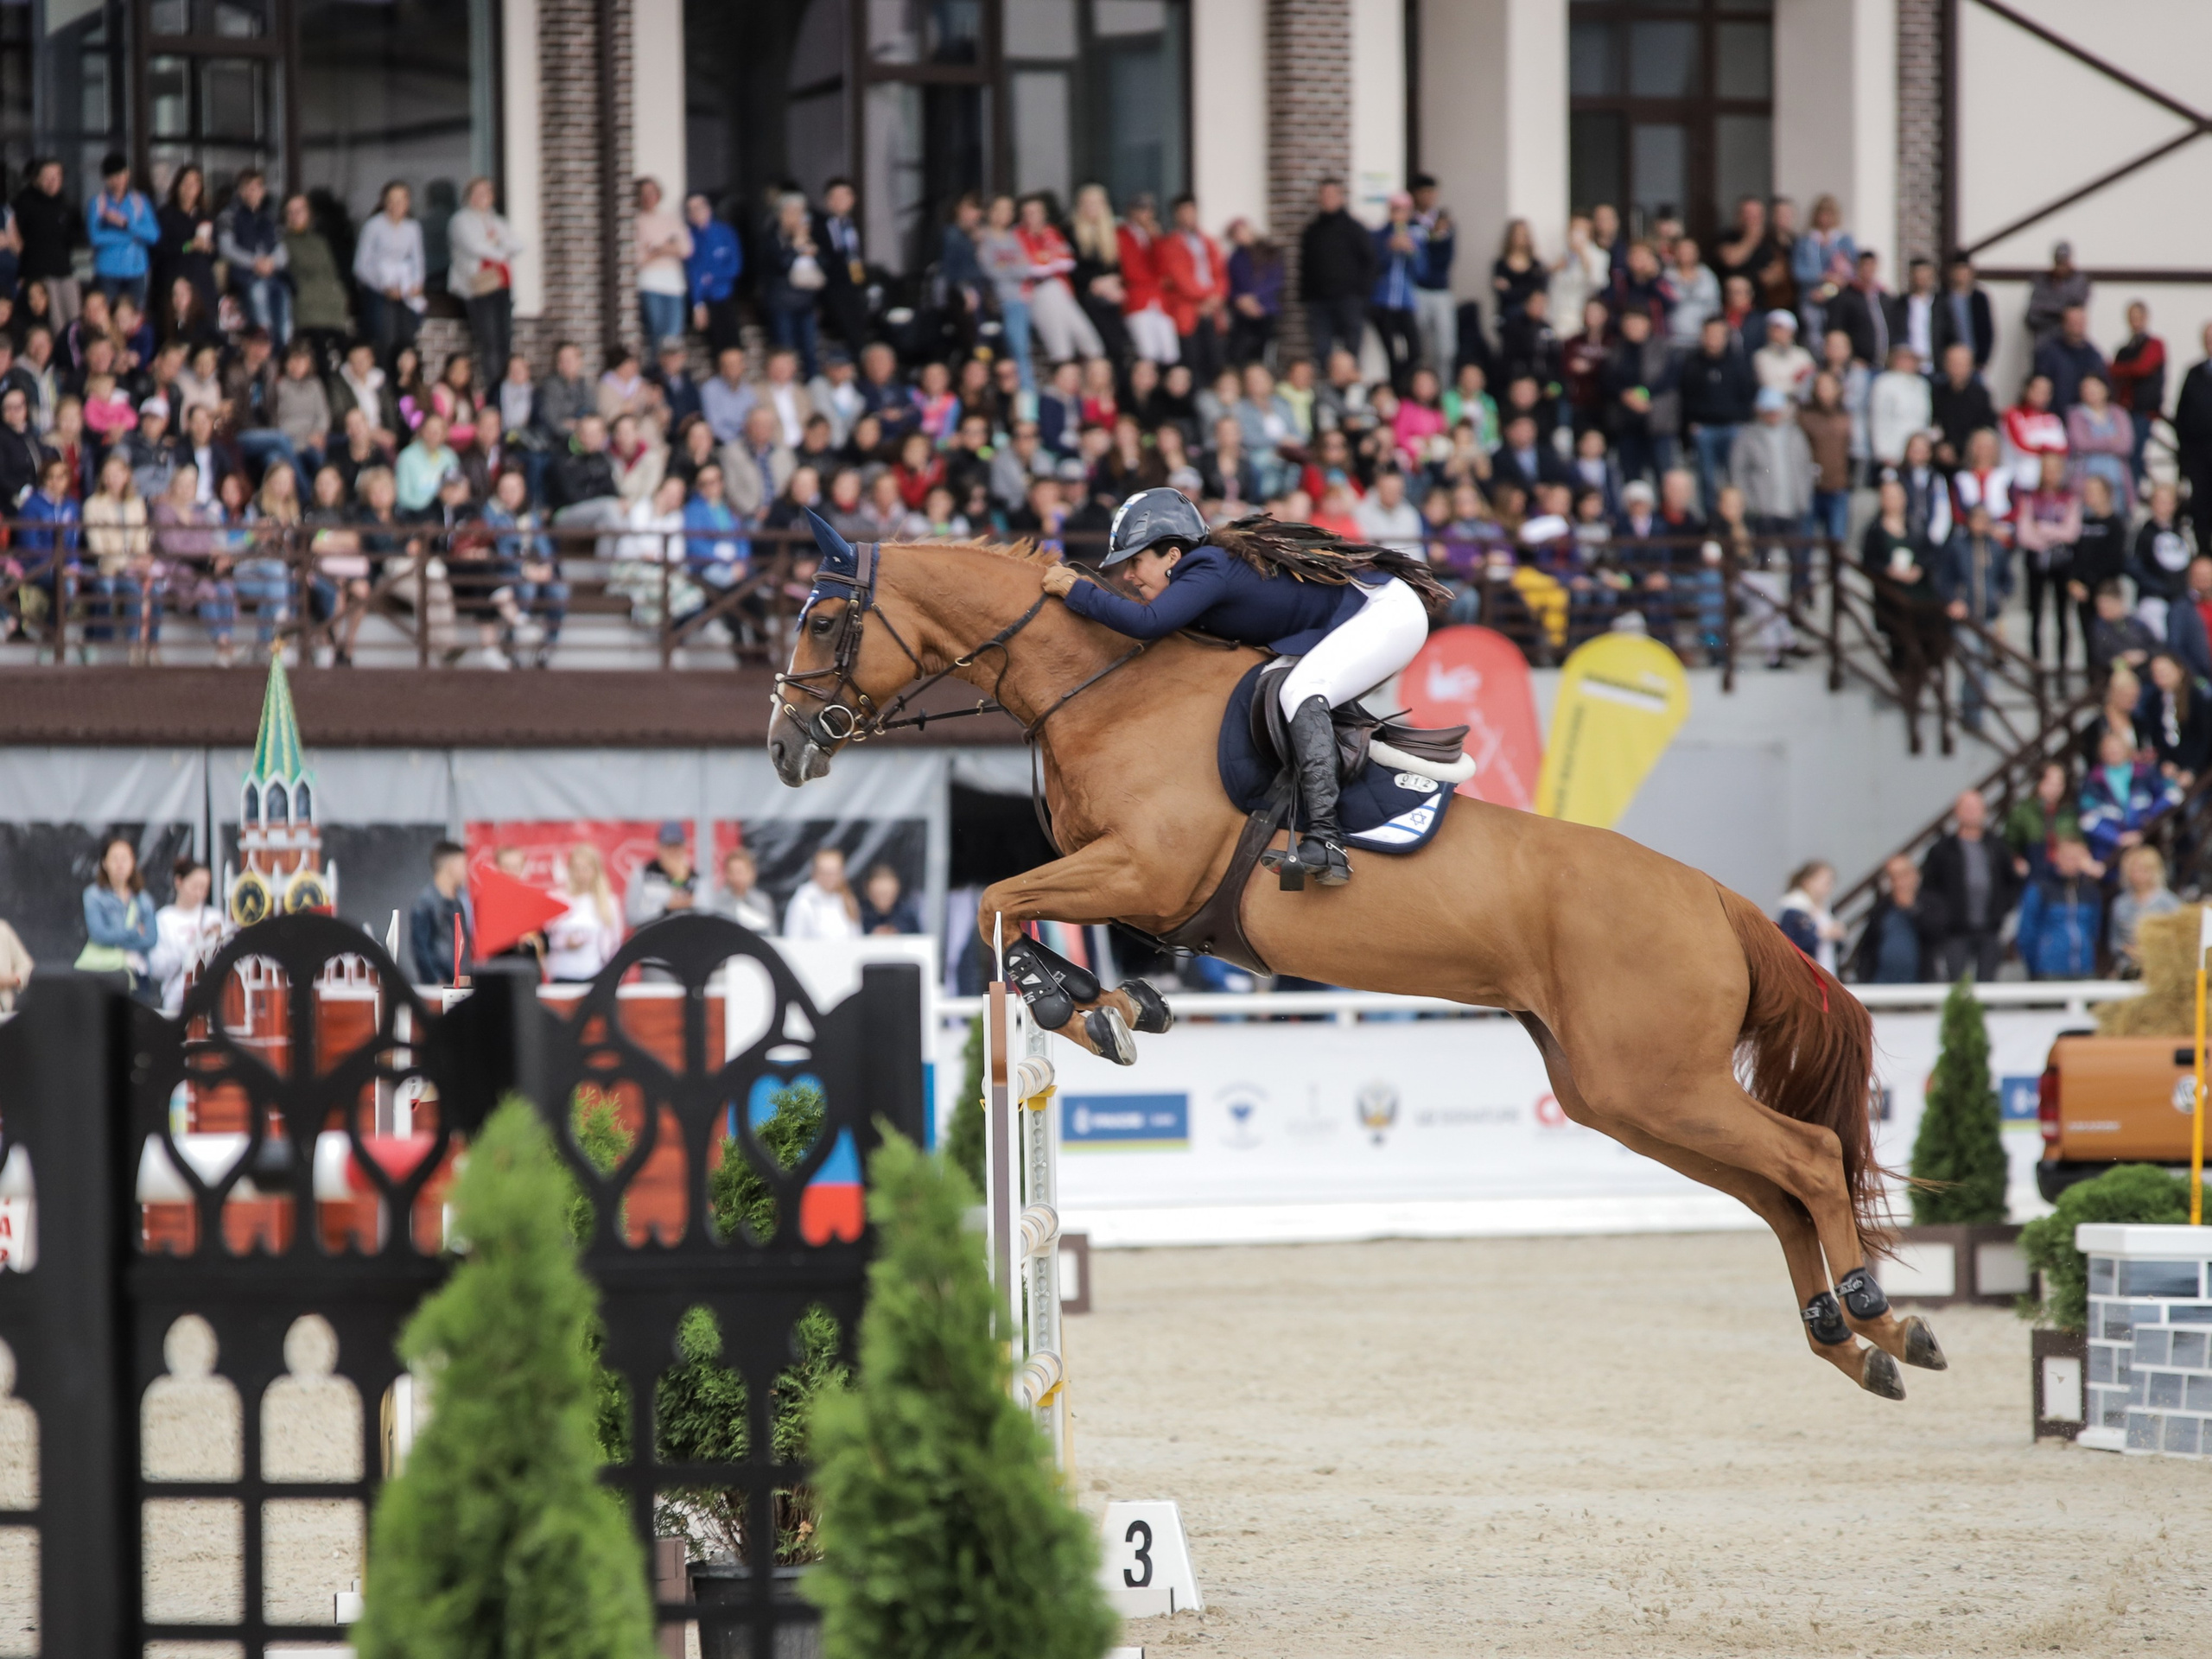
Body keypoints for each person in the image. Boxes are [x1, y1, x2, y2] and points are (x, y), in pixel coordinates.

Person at [1037, 486, 1448, 886]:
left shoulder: (1205, 567)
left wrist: (1078, 591)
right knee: (1275, 688)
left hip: (1387, 612)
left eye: (1136, 561)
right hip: (1355, 618)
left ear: (1173, 555)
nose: (1127, 576)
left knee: (1299, 691)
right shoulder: (1203, 573)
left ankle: (1327, 839)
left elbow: (1147, 623)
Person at [1918, 789, 2019, 982]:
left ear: (1984, 811)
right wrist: (1942, 916)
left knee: (1987, 983)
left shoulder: (1996, 846)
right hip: (1955, 932)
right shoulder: (1943, 849)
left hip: (1990, 929)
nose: (1972, 812)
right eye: (1967, 808)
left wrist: (2003, 908)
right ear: (1957, 812)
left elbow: (2011, 881)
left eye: (1976, 808)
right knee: (1958, 985)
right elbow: (1929, 888)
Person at [1935, 502, 2014, 733]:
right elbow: (1943, 578)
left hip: (1988, 616)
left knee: (1984, 666)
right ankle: (1972, 716)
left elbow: (2008, 579)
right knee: (1974, 665)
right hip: (1966, 618)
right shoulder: (1957, 547)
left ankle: (1975, 713)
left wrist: (1999, 596)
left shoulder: (1997, 549)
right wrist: (1953, 599)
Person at [447, 175, 524, 386]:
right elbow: (475, 247)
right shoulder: (461, 220)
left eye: (488, 192)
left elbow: (518, 244)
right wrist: (500, 251)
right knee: (489, 343)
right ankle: (494, 388)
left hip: (502, 286)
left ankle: (505, 385)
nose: (484, 196)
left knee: (505, 341)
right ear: (470, 196)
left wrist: (497, 242)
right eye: (479, 192)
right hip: (479, 288)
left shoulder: (497, 221)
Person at [2080, 727, 2183, 870]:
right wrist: (2118, 838)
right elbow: (2087, 817)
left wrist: (2149, 817)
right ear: (2101, 752)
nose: (2113, 752)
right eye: (2109, 748)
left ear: (2126, 749)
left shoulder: (2144, 773)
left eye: (2117, 747)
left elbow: (2172, 794)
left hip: (2145, 842)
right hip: (2109, 851)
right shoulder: (2093, 780)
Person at [1300, 178, 1375, 365]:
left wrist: (1362, 294)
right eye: (1324, 195)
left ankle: (1351, 389)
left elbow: (1370, 262)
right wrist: (1306, 296)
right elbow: (1305, 265)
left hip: (1349, 299)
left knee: (1352, 349)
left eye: (1332, 195)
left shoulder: (1355, 229)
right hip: (1319, 301)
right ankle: (1327, 390)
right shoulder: (1312, 231)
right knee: (1321, 349)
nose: (1328, 199)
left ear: (1341, 197)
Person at [77, 833, 160, 1001]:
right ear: (104, 863)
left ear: (133, 862)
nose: (120, 864)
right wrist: (135, 932)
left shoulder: (143, 899)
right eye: (115, 858)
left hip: (137, 974)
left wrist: (115, 938)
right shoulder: (94, 895)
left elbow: (151, 938)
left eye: (125, 858)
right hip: (105, 973)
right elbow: (99, 935)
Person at [2013, 836, 2103, 981]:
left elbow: (2094, 930)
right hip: (2049, 969)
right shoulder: (2040, 889)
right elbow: (2027, 932)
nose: (2074, 863)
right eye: (2069, 857)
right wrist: (2035, 966)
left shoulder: (2090, 891)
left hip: (2085, 968)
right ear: (2057, 857)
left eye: (2078, 858)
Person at [354, 181, 425, 359]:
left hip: (405, 288)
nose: (396, 206)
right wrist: (383, 287)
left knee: (407, 338)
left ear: (407, 203)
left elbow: (418, 260)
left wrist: (417, 284)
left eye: (401, 200)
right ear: (384, 202)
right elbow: (361, 266)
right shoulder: (373, 226)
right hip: (378, 290)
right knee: (384, 339)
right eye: (392, 200)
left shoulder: (412, 228)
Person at [216, 168, 288, 344]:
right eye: (248, 187)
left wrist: (271, 262)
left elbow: (282, 250)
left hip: (272, 274)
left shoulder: (269, 218)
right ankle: (265, 347)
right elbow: (227, 248)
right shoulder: (228, 215)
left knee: (284, 298)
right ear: (240, 191)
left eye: (257, 187)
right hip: (245, 276)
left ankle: (283, 350)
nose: (253, 191)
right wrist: (254, 263)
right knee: (259, 297)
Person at [149, 857, 224, 1015]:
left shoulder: (215, 917)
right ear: (179, 882)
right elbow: (155, 966)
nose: (199, 893)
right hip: (176, 999)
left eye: (204, 888)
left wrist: (216, 941)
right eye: (195, 886)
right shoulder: (163, 919)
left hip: (211, 997)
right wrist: (192, 949)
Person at [282, 194, 350, 364]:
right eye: (290, 212)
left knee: (346, 355)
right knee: (319, 356)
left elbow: (332, 273)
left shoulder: (321, 242)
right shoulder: (283, 242)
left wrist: (340, 297)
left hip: (333, 307)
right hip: (306, 308)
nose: (295, 216)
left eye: (300, 211)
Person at [84, 152, 157, 309]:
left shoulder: (139, 201)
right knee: (108, 315)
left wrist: (125, 224)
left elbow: (154, 235)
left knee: (135, 315)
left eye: (120, 175)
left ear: (127, 174)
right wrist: (131, 237)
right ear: (105, 179)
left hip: (136, 270)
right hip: (107, 271)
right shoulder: (98, 203)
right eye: (112, 177)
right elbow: (95, 238)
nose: (117, 181)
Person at [16, 158, 81, 326]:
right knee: (55, 321)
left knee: (75, 319)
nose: (52, 182)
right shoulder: (24, 203)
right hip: (38, 274)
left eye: (56, 177)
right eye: (47, 177)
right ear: (37, 179)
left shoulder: (67, 203)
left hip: (65, 271)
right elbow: (16, 240)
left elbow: (79, 235)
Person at [544, 844, 621, 983]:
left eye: (586, 868)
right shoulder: (558, 898)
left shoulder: (608, 902)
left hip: (595, 973)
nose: (581, 874)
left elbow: (615, 944)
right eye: (576, 869)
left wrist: (612, 975)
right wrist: (564, 942)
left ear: (596, 871)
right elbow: (545, 937)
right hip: (561, 973)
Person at [1849, 855, 1930, 984]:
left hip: (1919, 985)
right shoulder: (1882, 907)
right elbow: (1866, 947)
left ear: (1915, 875)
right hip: (1882, 984)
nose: (1899, 882)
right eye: (1893, 877)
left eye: (1903, 875)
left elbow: (1936, 933)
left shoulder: (1930, 903)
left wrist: (1912, 909)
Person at [683, 192, 743, 355]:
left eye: (699, 207)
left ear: (708, 209)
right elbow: (694, 273)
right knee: (715, 346)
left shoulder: (725, 232)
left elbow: (735, 266)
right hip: (704, 298)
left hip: (725, 295)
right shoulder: (690, 237)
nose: (696, 212)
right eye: (691, 209)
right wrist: (698, 304)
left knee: (733, 342)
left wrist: (711, 276)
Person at [407, 841, 474, 987]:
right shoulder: (425, 903)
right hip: (439, 985)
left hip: (459, 984)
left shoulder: (458, 902)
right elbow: (420, 947)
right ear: (450, 866)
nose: (466, 871)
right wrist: (435, 979)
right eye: (463, 865)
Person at [2109, 844, 2182, 977]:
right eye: (2133, 870)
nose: (2137, 875)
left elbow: (2179, 939)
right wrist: (2130, 951)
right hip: (2128, 969)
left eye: (2143, 870)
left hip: (2162, 970)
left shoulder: (2169, 903)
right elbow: (2115, 942)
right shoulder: (2120, 904)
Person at [1777, 860, 1846, 974]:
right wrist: (1820, 935)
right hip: (1804, 973)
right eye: (1825, 882)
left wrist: (1839, 936)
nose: (1829, 886)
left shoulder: (1827, 910)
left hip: (1828, 970)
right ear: (1807, 882)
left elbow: (1837, 949)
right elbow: (1789, 943)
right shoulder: (1794, 908)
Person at [625, 821, 699, 927]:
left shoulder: (695, 877)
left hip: (685, 937)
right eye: (668, 846)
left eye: (677, 846)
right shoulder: (643, 874)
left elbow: (706, 913)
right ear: (658, 847)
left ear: (684, 847)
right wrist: (664, 909)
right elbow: (631, 917)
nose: (673, 851)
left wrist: (680, 879)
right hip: (653, 937)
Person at [783, 846, 862, 940]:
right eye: (824, 872)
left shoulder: (847, 899)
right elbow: (793, 938)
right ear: (814, 872)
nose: (829, 878)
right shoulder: (803, 900)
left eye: (834, 873)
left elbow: (856, 937)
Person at [711, 845, 776, 932]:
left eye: (740, 872)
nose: (736, 877)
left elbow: (771, 933)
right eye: (731, 872)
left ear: (752, 873)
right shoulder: (717, 901)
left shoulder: (762, 901)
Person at [856, 863, 923, 935]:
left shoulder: (907, 916)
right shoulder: (858, 915)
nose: (883, 899)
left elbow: (919, 940)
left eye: (887, 894)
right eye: (878, 894)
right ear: (868, 892)